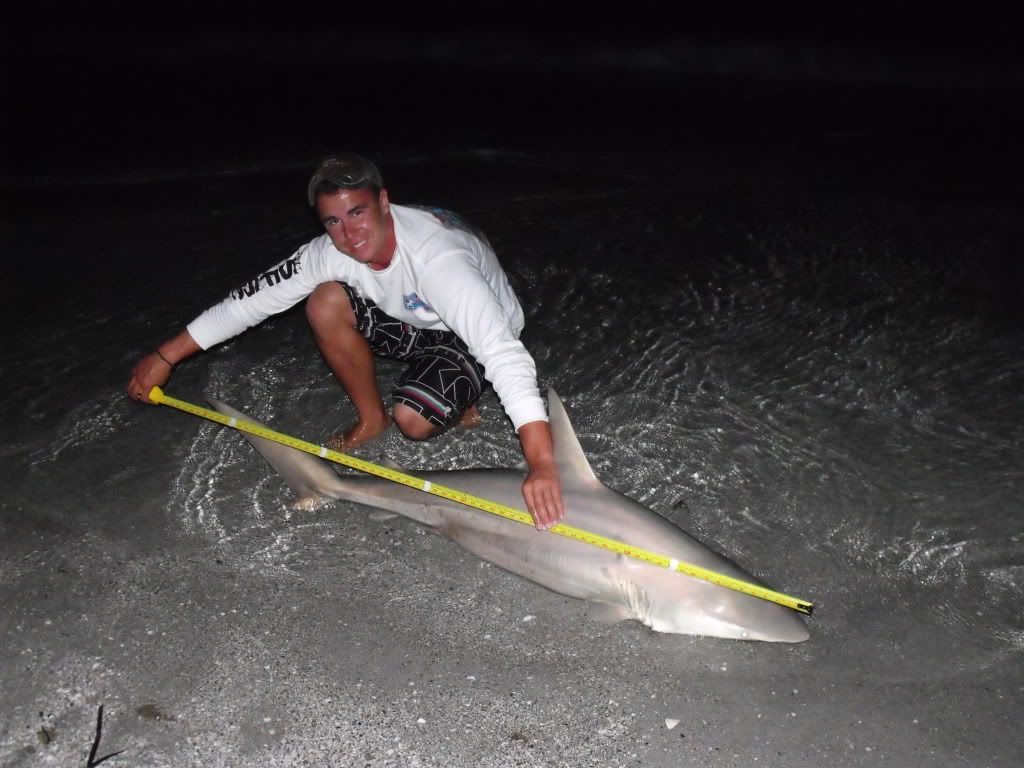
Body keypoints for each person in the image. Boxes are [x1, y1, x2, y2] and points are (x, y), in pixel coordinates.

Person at [128, 153, 565, 530]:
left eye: (357, 212)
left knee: (414, 421)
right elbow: (247, 303)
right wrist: (166, 356)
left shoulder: (440, 261)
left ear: (384, 201)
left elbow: (504, 355)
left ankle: (464, 391)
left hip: (475, 331)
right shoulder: (329, 252)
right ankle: (372, 419)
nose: (349, 234)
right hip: (413, 318)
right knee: (325, 302)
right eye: (333, 221)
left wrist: (542, 465)